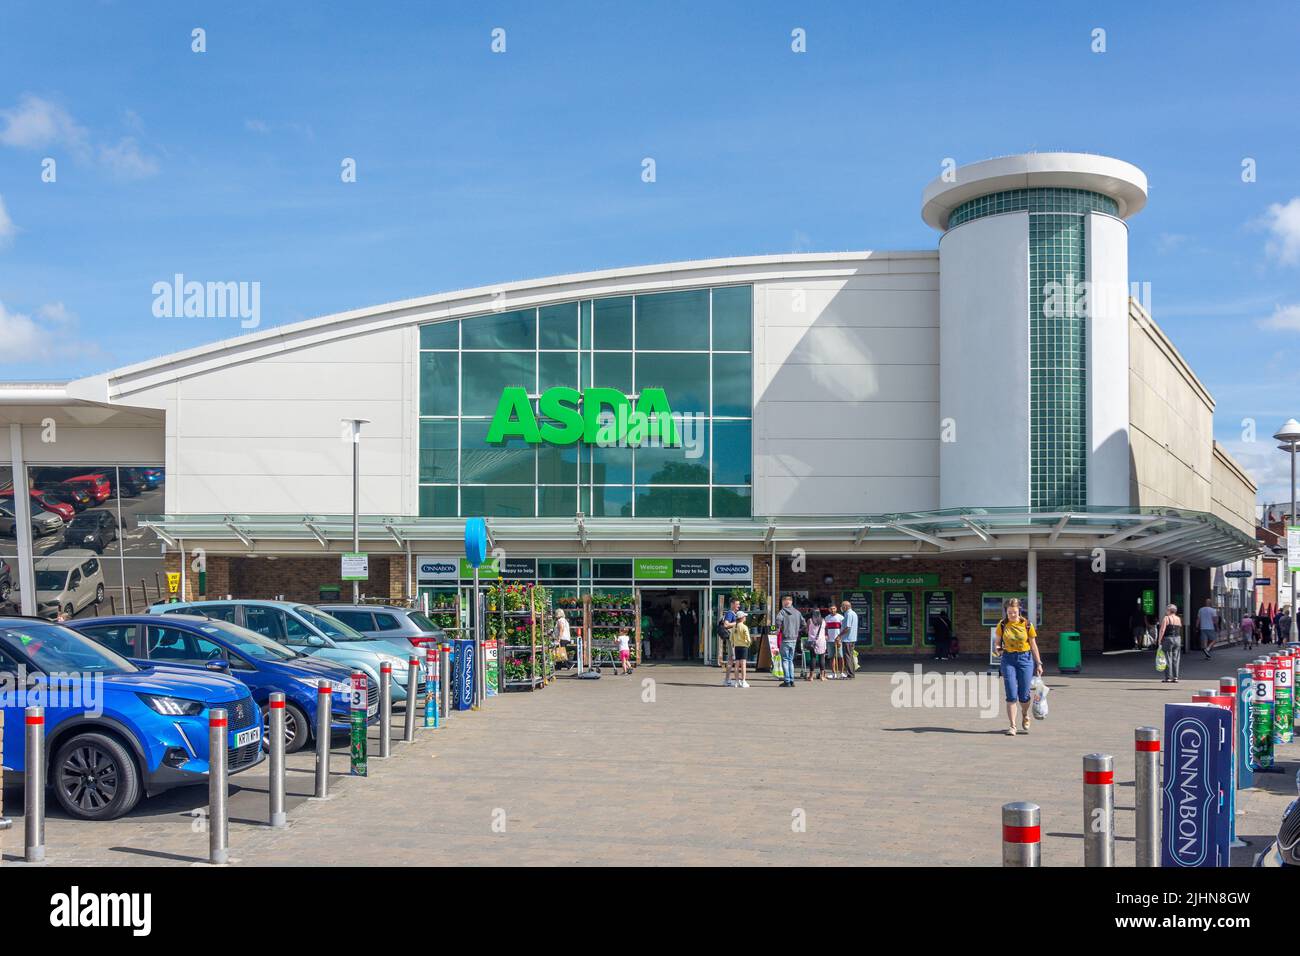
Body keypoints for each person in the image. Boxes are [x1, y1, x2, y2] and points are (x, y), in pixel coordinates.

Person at [994, 598, 1042, 736]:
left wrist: (1038, 663)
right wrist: (998, 650)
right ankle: (1012, 726)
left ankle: (1025, 713)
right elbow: (997, 643)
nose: (1012, 615)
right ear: (1006, 612)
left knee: (1024, 695)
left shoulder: (1027, 624)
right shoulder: (1002, 625)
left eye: (1014, 612)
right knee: (1011, 694)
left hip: (1025, 660)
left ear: (1019, 610)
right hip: (1008, 659)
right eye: (1009, 612)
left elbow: (1033, 645)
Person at [774, 595, 803, 688]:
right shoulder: (798, 613)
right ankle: (792, 680)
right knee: (790, 660)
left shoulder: (782, 612)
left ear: (784, 602)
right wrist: (797, 631)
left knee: (785, 660)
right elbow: (804, 624)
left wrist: (777, 630)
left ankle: (787, 681)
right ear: (791, 602)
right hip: (794, 639)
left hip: (786, 638)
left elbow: (778, 621)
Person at [1157, 603, 1183, 684]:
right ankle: (1175, 677)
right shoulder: (1178, 618)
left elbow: (1162, 630)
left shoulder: (1166, 618)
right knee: (1176, 658)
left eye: (1166, 609)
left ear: (1169, 610)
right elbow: (1180, 628)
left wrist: (1159, 640)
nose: (1166, 611)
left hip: (1168, 639)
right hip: (1177, 639)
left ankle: (1168, 677)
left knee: (1167, 658)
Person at [719, 599, 739, 686]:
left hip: (733, 639)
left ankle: (727, 679)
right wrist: (737, 623)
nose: (739, 606)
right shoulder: (730, 613)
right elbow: (726, 624)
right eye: (737, 604)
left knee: (731, 659)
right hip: (732, 639)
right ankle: (728, 680)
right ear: (732, 604)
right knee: (732, 658)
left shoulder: (732, 614)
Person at [731, 610, 752, 688]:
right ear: (742, 618)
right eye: (744, 616)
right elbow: (748, 637)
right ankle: (743, 681)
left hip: (736, 646)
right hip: (743, 646)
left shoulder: (734, 627)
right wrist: (748, 643)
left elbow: (731, 638)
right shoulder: (744, 627)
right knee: (743, 664)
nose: (745, 617)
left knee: (736, 664)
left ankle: (736, 681)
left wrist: (733, 643)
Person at [804, 610, 827, 681]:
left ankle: (811, 677)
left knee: (813, 658)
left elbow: (806, 630)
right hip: (821, 641)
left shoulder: (809, 621)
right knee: (822, 658)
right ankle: (822, 676)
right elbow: (825, 630)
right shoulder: (823, 621)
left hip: (812, 641)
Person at [823, 604, 843, 679]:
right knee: (831, 657)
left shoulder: (840, 617)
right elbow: (825, 628)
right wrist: (825, 635)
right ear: (829, 609)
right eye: (831, 609)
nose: (833, 610)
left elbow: (843, 628)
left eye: (834, 608)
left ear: (836, 609)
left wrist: (840, 637)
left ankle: (841, 672)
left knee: (840, 657)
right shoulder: (827, 618)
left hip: (838, 640)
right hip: (829, 640)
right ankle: (833, 673)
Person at [840, 600, 859, 679]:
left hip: (847, 639)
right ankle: (851, 673)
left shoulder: (848, 614)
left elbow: (847, 627)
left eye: (842, 606)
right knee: (850, 656)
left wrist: (839, 635)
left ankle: (850, 674)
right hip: (852, 638)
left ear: (846, 606)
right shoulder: (854, 613)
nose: (841, 608)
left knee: (847, 657)